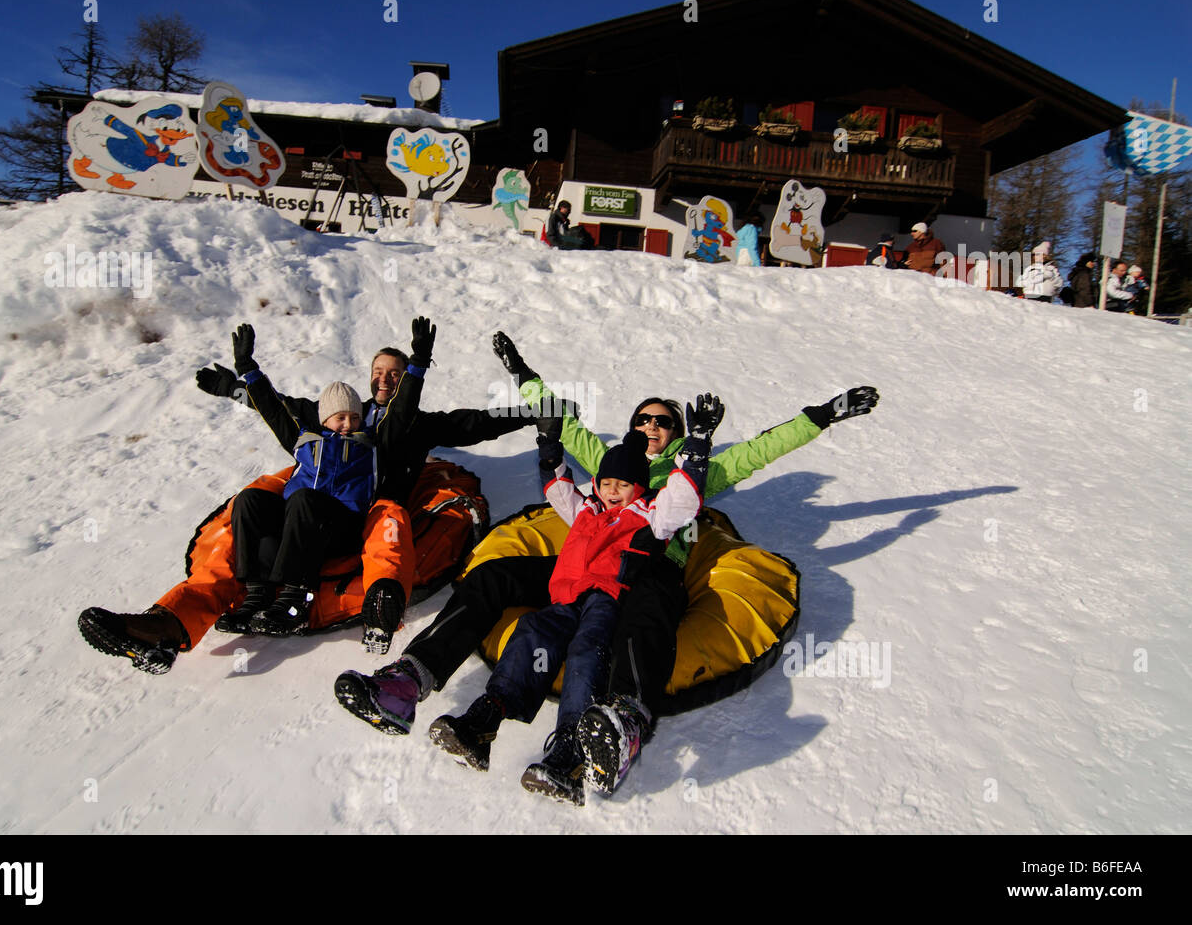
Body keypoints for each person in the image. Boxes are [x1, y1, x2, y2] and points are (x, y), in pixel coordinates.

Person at [335, 332, 879, 793]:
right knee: (494, 575)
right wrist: (523, 372)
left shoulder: (697, 470)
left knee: (643, 618)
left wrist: (823, 415)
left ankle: (622, 726)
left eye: (663, 421)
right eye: (642, 418)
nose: (650, 426)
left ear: (678, 432)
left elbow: (764, 448)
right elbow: (563, 427)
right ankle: (409, 680)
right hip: (584, 567)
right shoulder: (607, 465)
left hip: (651, 569)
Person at [79, 328, 543, 672]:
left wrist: (531, 412)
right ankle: (168, 625)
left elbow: (476, 422)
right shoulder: (340, 414)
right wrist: (236, 386)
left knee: (378, 522)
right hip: (316, 503)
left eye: (394, 374)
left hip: (368, 510)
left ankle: (378, 601)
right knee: (249, 508)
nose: (384, 379)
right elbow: (283, 411)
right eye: (378, 372)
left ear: (407, 379)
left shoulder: (415, 422)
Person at [428, 403, 719, 805]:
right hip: (564, 597)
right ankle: (486, 716)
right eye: (607, 482)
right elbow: (556, 485)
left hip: (607, 599)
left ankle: (569, 750)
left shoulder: (649, 515)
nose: (613, 490)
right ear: (597, 483)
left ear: (640, 487)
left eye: (624, 484)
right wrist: (548, 442)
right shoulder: (586, 509)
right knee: (533, 633)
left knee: (587, 652)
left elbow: (683, 499)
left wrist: (699, 443)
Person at [223, 320, 430, 639]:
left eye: (354, 417)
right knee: (251, 500)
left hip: (342, 526)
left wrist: (417, 365)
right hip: (300, 523)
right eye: (340, 417)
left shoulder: (372, 442)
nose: (348, 424)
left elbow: (402, 409)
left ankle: (296, 602)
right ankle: (256, 595)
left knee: (305, 500)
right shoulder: (304, 438)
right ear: (324, 419)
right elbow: (272, 408)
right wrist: (248, 368)